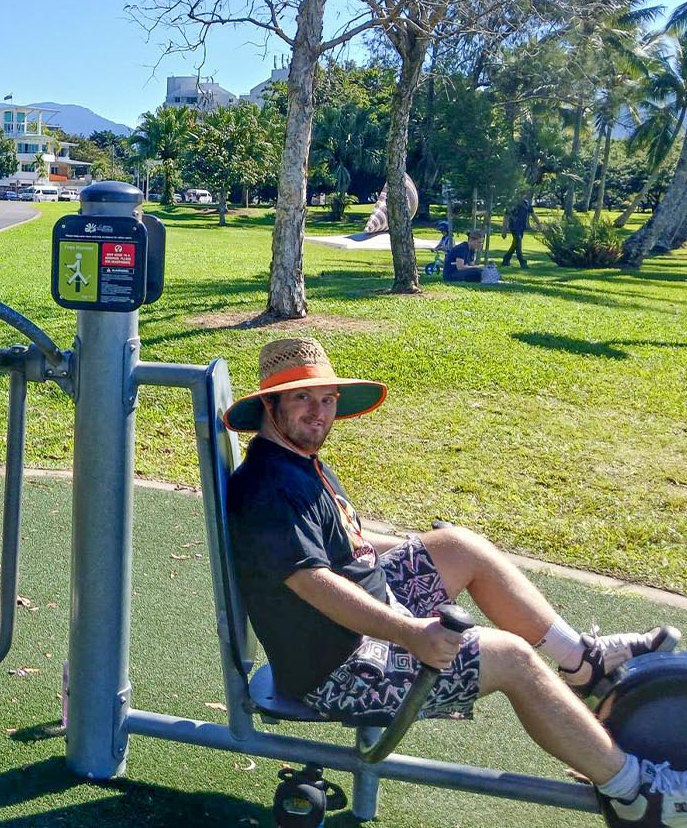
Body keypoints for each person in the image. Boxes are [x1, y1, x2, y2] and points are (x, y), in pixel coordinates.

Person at [223, 338, 684, 825]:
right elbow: (313, 582)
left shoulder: (298, 461)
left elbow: (346, 543)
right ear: (269, 405)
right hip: (342, 669)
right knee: (509, 657)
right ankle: (636, 791)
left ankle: (581, 661)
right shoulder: (268, 490)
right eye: (302, 398)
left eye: (328, 398)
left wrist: (419, 545)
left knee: (460, 546)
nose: (319, 412)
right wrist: (411, 633)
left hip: (368, 619)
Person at [501, 196, 535, 268]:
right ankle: (522, 262)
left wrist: (539, 224)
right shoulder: (512, 204)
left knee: (515, 244)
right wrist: (504, 230)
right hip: (514, 227)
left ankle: (506, 259)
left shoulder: (527, 204)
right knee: (518, 244)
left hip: (522, 228)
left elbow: (533, 214)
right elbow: (506, 217)